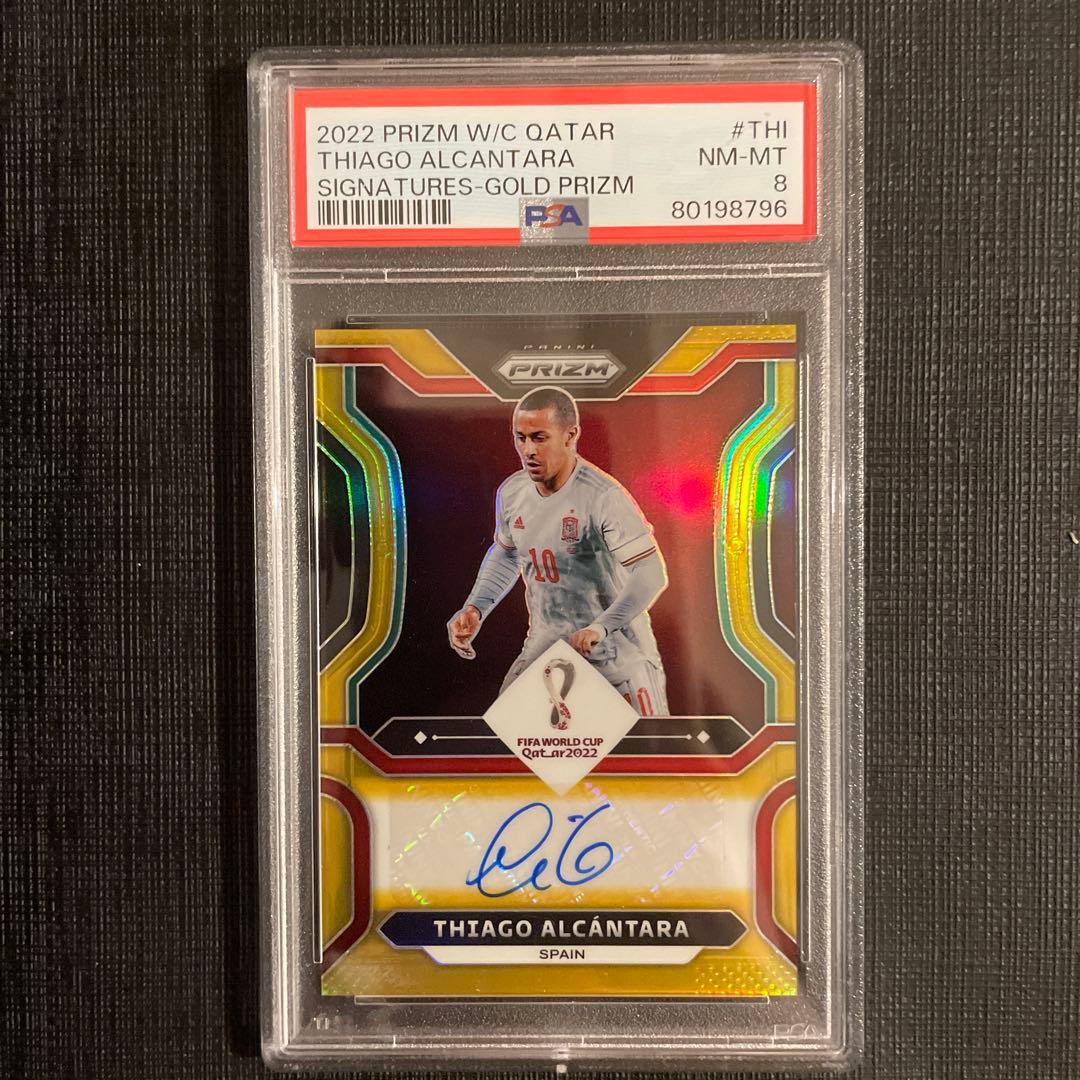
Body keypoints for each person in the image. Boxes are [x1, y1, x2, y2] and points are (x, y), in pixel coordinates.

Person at [447, 386, 669, 716]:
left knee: (643, 750)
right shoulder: (513, 492)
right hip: (547, 647)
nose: (528, 450)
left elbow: (650, 574)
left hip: (615, 658)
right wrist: (476, 607)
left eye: (539, 438)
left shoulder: (603, 497)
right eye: (520, 438)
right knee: (506, 737)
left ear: (570, 435)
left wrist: (600, 627)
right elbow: (508, 553)